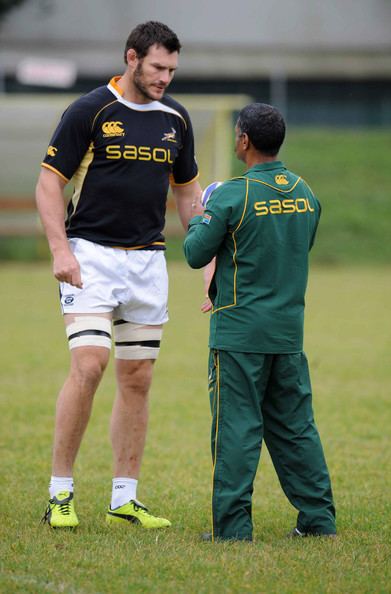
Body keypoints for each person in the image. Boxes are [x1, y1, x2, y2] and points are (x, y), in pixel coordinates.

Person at [36, 21, 203, 529]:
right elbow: (48, 186)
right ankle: (60, 493)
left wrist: (207, 259)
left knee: (138, 377)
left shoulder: (176, 116)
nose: (165, 78)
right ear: (132, 58)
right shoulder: (90, 110)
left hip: (148, 263)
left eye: (172, 69)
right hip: (91, 257)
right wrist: (60, 250)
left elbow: (188, 195)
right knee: (89, 366)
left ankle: (123, 500)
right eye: (157, 67)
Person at [183, 103, 336, 542]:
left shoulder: (233, 194)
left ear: (245, 140)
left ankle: (232, 529)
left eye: (236, 134)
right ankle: (318, 520)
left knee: (236, 427)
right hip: (288, 335)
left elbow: (196, 254)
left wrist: (200, 213)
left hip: (238, 334)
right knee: (295, 427)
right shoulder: (306, 193)